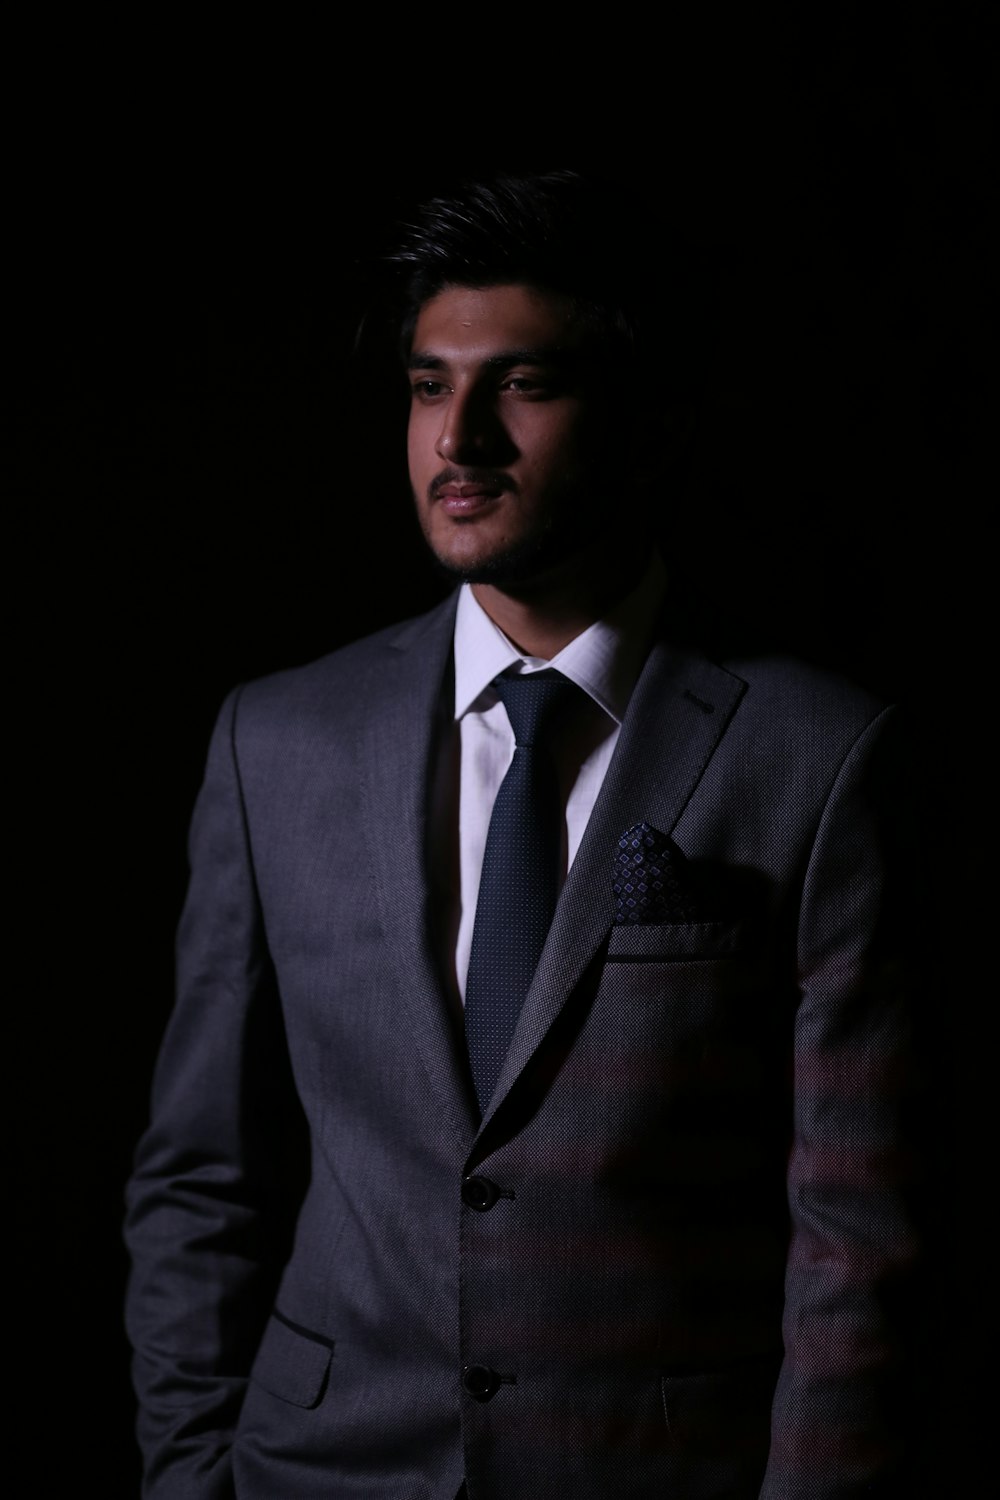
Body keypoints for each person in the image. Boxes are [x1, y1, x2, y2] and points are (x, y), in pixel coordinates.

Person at [124, 169, 927, 1498]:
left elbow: (859, 1240)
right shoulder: (276, 744)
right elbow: (201, 1177)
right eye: (431, 387)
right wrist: (190, 1474)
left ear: (651, 426)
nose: (462, 441)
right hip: (314, 1472)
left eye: (526, 386)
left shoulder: (823, 758)